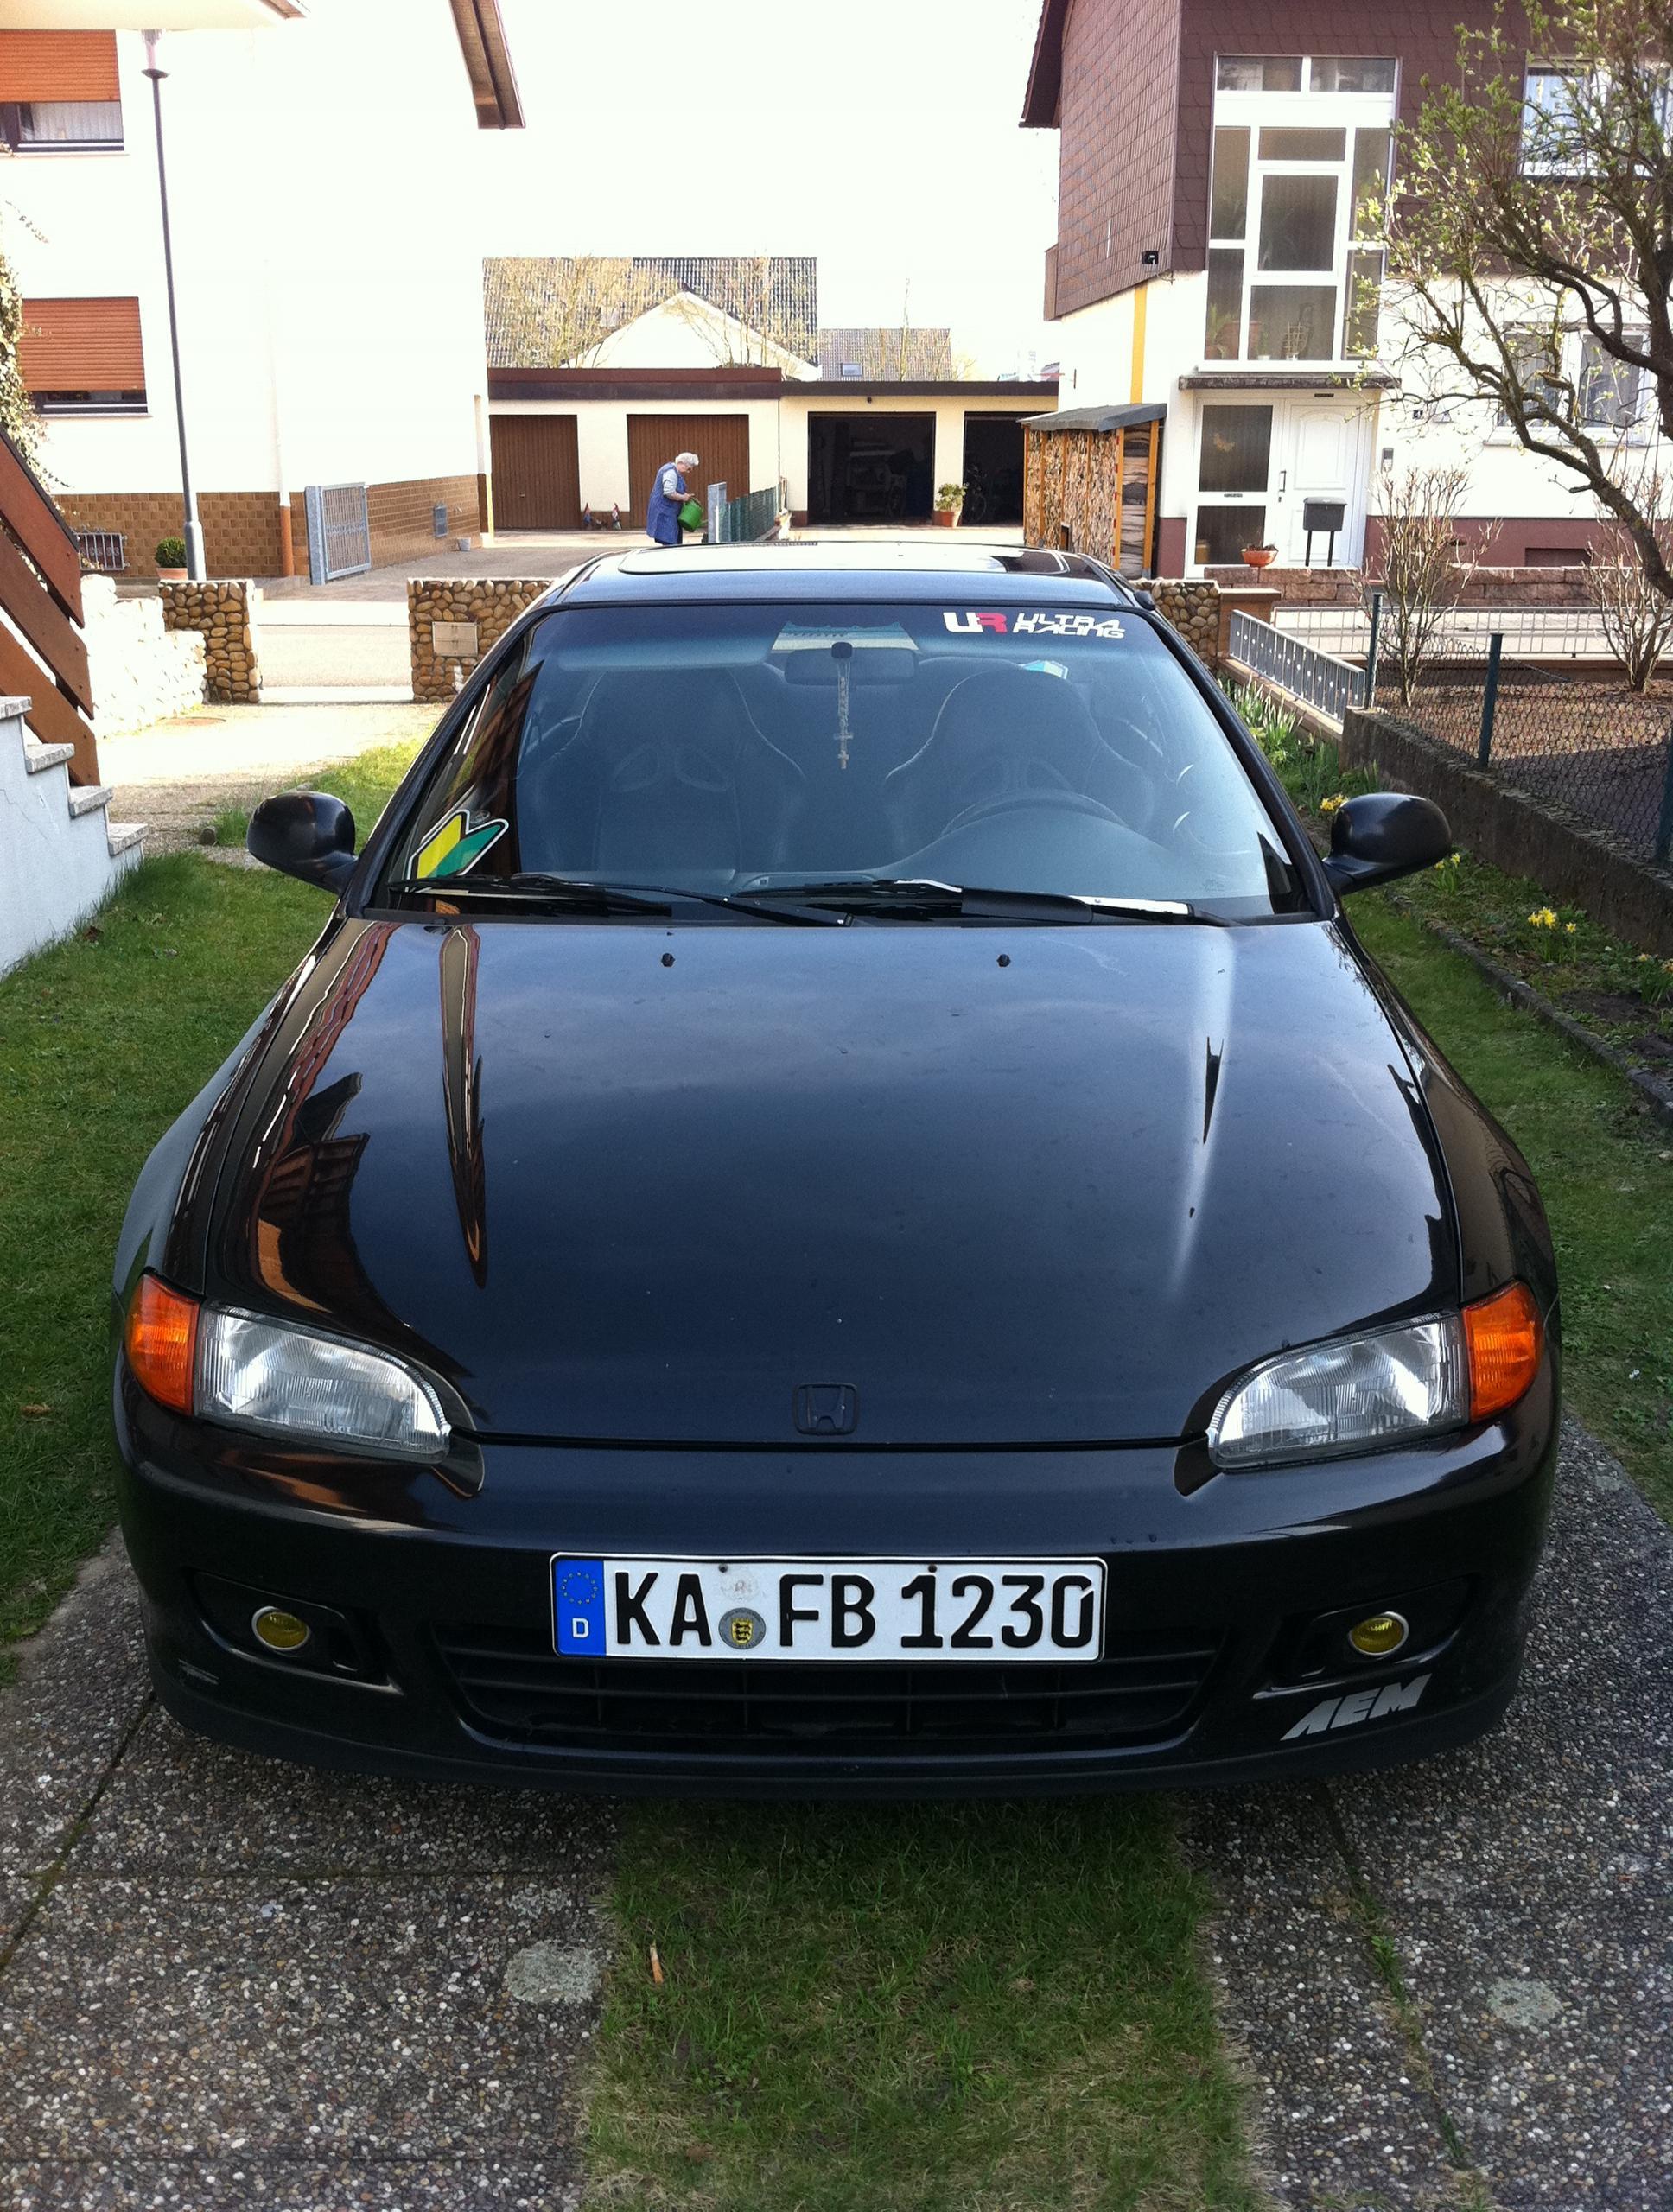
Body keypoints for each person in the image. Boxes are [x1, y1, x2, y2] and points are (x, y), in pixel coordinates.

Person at [646, 449, 699, 547]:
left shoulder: (674, 471)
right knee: (669, 544)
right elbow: (669, 492)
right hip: (665, 513)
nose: (688, 472)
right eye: (688, 469)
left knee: (672, 543)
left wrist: (684, 495)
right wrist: (683, 497)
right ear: (681, 463)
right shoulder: (671, 472)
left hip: (669, 513)